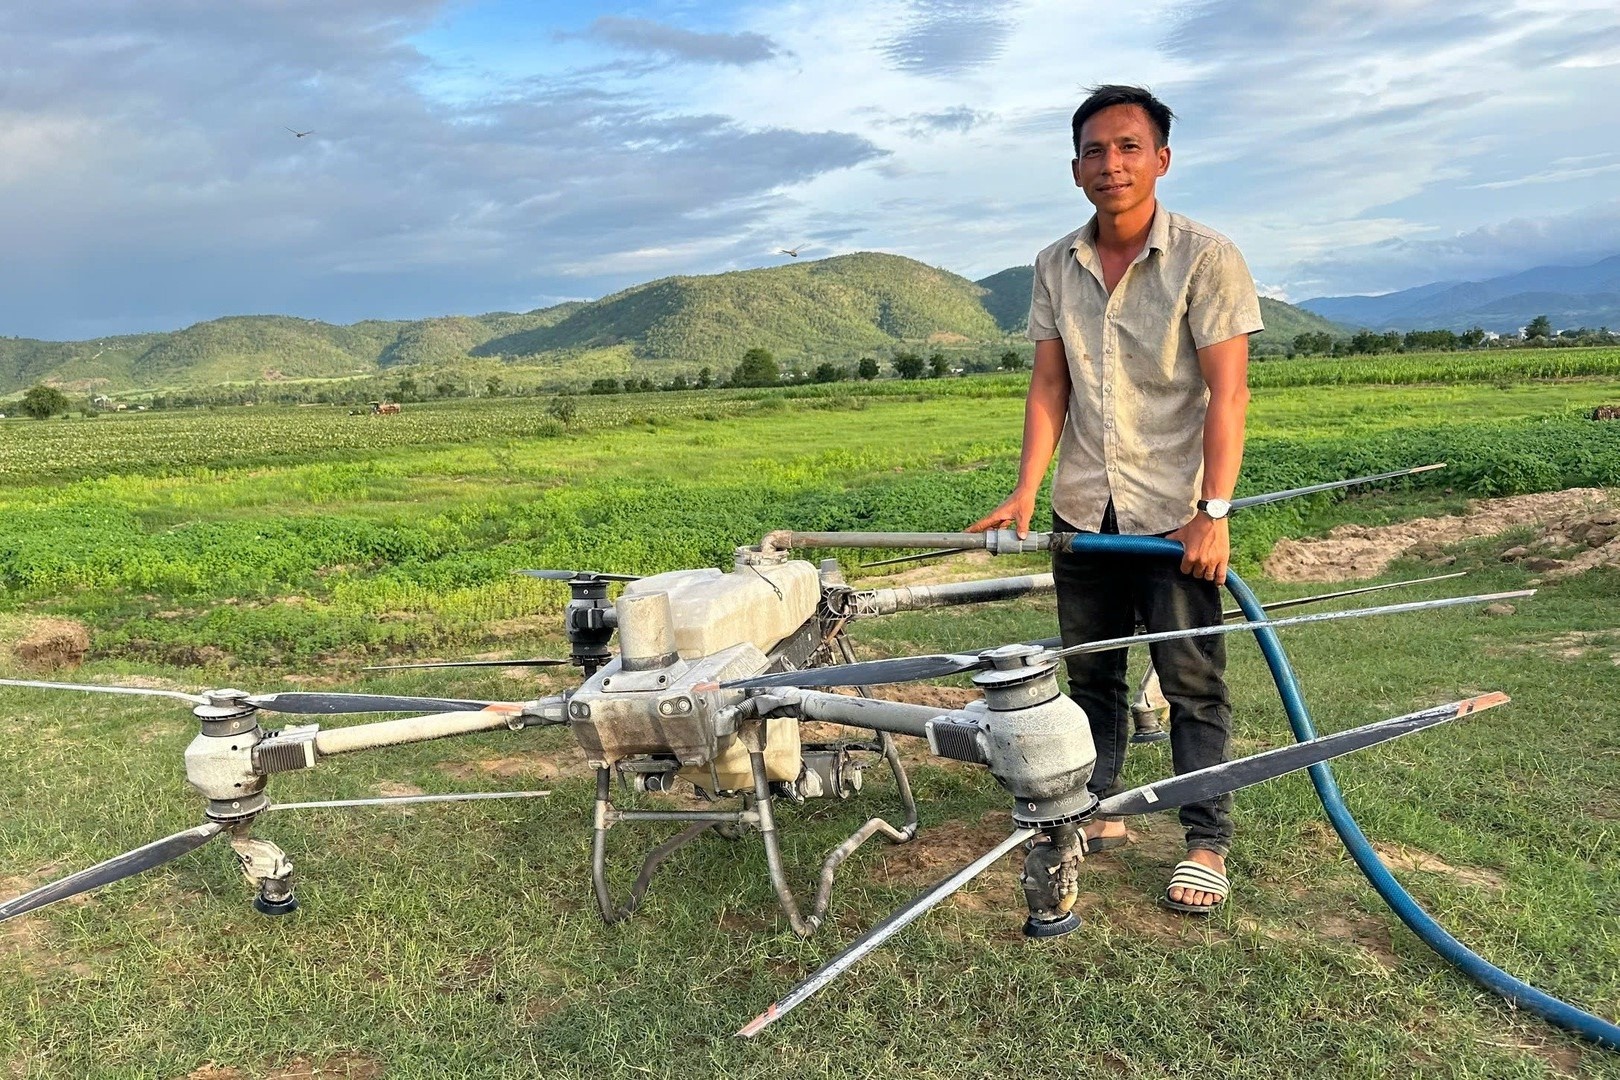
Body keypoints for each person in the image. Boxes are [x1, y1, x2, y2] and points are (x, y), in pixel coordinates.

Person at [970, 84, 1262, 915]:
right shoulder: (1054, 264)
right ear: (1075, 170)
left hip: (1175, 515)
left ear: (1161, 159)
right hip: (1083, 507)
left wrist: (1214, 511)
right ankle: (1095, 808)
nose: (1112, 164)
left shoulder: (1207, 257)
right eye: (1096, 151)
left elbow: (1228, 394)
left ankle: (1205, 839)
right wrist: (1027, 488)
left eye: (1129, 147)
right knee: (1092, 675)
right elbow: (1048, 384)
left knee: (1192, 681)